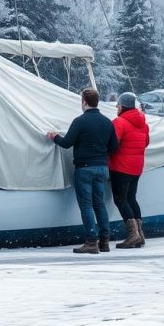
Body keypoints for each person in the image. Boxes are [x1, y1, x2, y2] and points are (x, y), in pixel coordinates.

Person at [47, 87, 119, 254]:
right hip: (102, 167)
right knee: (99, 204)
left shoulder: (80, 122)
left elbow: (66, 143)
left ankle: (91, 241)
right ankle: (105, 240)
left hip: (85, 168)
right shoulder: (107, 122)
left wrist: (54, 137)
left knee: (86, 206)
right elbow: (114, 147)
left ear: (84, 102)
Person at [109, 92, 150, 248]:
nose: (117, 108)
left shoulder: (119, 122)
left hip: (121, 166)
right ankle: (140, 234)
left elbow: (114, 145)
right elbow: (145, 143)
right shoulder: (144, 124)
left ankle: (133, 235)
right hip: (137, 167)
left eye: (117, 105)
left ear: (122, 106)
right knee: (131, 198)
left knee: (120, 199)